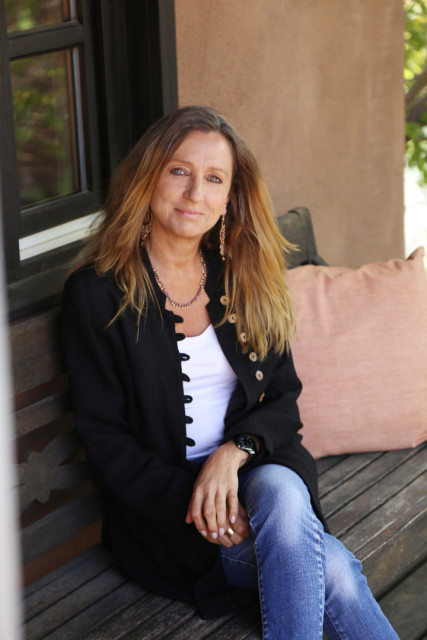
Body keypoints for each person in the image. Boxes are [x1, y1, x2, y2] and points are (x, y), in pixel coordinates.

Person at [61, 105, 399, 639]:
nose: (195, 192)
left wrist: (233, 452)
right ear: (147, 177)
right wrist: (205, 505)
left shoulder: (242, 276)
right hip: (173, 518)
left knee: (283, 495)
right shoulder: (99, 294)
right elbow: (107, 441)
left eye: (214, 178)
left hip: (260, 468)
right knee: (333, 572)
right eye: (179, 170)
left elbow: (283, 398)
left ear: (229, 197)